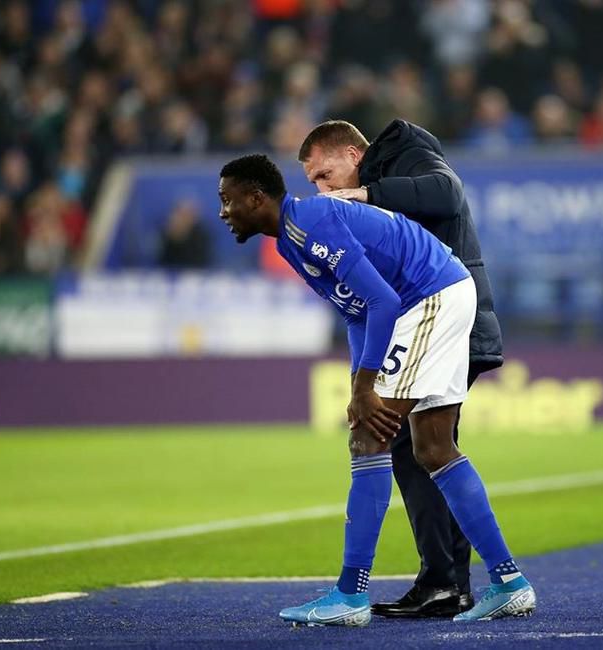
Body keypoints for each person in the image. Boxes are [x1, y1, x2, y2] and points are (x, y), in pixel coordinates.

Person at [217, 154, 535, 626]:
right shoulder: (290, 238)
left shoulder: (310, 222)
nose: (223, 212)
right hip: (442, 291)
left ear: (255, 197)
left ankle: (350, 596)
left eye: (227, 200)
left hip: (428, 297)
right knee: (432, 446)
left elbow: (383, 299)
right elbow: (355, 311)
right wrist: (356, 384)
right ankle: (510, 583)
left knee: (369, 437)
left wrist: (367, 388)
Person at [296, 119, 504, 618]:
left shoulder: (407, 152)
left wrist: (363, 194)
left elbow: (447, 193)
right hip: (434, 321)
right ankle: (456, 581)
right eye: (314, 185)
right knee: (425, 445)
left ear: (352, 155)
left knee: (417, 444)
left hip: (451, 321)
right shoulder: (382, 180)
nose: (325, 191)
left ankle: (446, 580)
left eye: (326, 176)